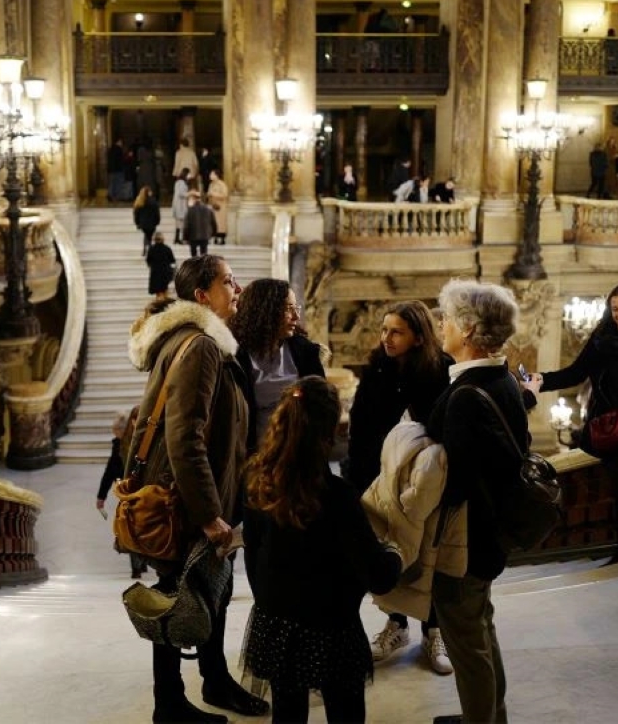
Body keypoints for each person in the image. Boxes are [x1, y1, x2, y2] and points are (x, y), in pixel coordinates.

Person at [125, 255, 266, 723]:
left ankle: (213, 680)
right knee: (179, 596)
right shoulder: (201, 346)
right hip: (185, 504)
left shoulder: (193, 340)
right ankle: (170, 704)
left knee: (210, 592)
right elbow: (184, 437)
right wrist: (209, 514)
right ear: (203, 295)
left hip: (194, 495)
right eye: (229, 281)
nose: (238, 289)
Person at [241, 377, 403, 724]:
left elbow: (252, 554)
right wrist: (395, 551)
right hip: (332, 627)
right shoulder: (338, 496)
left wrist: (269, 603)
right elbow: (378, 576)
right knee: (345, 712)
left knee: (287, 712)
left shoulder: (260, 484)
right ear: (328, 433)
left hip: (277, 622)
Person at [428, 279, 527, 724]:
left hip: (465, 540)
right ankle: (492, 715)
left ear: (467, 329)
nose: (442, 326)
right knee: (480, 628)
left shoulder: (467, 395)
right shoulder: (502, 379)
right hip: (490, 534)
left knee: (467, 646)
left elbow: (456, 482)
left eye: (447, 319)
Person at [344, 301, 452, 672]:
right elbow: (360, 425)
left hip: (426, 483)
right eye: (384, 330)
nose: (386, 338)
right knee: (390, 554)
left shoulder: (441, 370)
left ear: (418, 337)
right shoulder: (377, 368)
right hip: (380, 480)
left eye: (396, 332)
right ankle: (397, 624)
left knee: (429, 555)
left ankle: (433, 630)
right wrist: (359, 480)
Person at [523, 284, 618, 574]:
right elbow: (575, 373)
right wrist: (540, 380)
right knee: (617, 492)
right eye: (615, 309)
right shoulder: (602, 340)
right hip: (610, 428)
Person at [228, 279, 327, 453]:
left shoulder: (305, 352)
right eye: (288, 309)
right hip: (255, 455)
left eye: (296, 308)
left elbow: (322, 403)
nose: (296, 317)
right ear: (266, 311)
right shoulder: (236, 358)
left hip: (299, 452)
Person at [96, 407, 149, 579]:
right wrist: (101, 496)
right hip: (127, 492)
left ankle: (141, 562)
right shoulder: (119, 445)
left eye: (117, 430)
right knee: (131, 526)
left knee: (140, 527)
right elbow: (110, 471)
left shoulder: (143, 442)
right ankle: (137, 566)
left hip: (142, 492)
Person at [184, 191, 217, 258]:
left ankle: (194, 264)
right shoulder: (208, 209)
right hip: (205, 235)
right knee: (204, 254)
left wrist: (185, 237)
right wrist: (213, 233)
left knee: (193, 255)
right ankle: (202, 264)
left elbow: (186, 225)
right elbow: (213, 223)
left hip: (193, 235)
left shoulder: (190, 210)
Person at [145, 232, 177, 299]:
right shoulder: (167, 248)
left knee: (158, 292)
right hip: (165, 272)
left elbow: (148, 260)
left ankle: (159, 303)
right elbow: (173, 260)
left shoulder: (152, 249)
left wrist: (151, 266)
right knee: (165, 290)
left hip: (155, 273)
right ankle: (165, 303)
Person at [133, 186, 161, 256]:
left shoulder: (140, 202)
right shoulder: (153, 202)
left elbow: (136, 214)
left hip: (143, 224)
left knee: (147, 236)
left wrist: (137, 223)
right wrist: (157, 221)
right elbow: (157, 213)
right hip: (152, 223)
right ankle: (149, 249)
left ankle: (145, 249)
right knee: (149, 237)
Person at [206, 170, 229, 245]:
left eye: (212, 174)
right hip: (213, 205)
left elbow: (225, 195)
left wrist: (214, 194)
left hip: (220, 207)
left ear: (216, 175)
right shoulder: (211, 184)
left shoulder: (222, 184)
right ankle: (215, 238)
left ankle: (222, 239)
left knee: (221, 224)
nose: (210, 176)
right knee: (214, 223)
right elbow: (209, 193)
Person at [172, 169, 191, 245]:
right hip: (180, 205)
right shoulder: (181, 183)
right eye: (189, 174)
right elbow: (181, 193)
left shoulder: (178, 182)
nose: (190, 176)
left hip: (178, 204)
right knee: (181, 223)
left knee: (179, 223)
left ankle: (177, 238)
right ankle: (181, 239)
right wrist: (190, 193)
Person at [108, 137, 127, 202]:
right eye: (121, 142)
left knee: (112, 183)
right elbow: (121, 160)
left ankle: (110, 195)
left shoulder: (111, 149)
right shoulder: (119, 149)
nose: (122, 143)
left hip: (111, 169)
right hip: (118, 169)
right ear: (118, 142)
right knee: (118, 184)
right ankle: (116, 197)